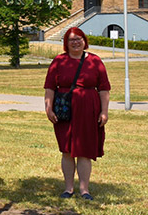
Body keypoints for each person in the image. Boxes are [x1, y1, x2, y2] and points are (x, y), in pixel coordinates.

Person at [43, 27, 110, 200]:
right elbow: (50, 87)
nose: (76, 42)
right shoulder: (59, 61)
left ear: (84, 41)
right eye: (72, 39)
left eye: (79, 39)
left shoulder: (95, 61)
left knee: (84, 150)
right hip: (64, 109)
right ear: (66, 43)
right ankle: (68, 188)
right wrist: (48, 108)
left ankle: (84, 189)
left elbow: (103, 89)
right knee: (66, 149)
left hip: (88, 109)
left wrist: (104, 111)